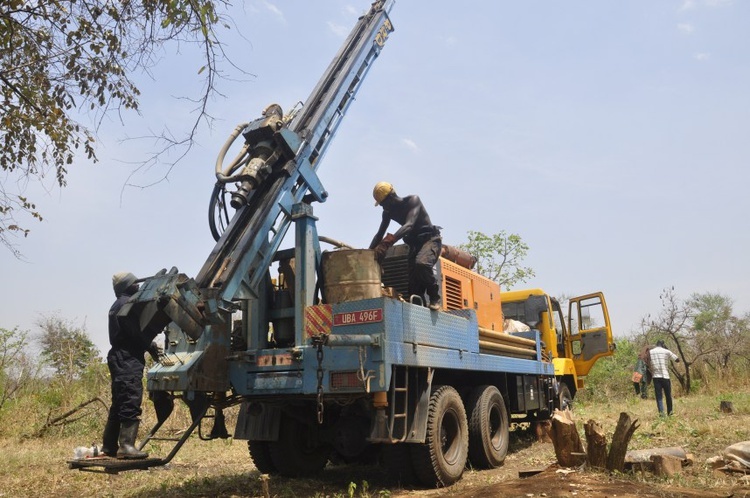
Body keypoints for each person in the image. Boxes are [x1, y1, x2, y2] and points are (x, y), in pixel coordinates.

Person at [101, 272, 163, 459]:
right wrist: (151, 344)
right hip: (127, 357)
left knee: (119, 401)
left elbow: (132, 333)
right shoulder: (127, 305)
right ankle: (127, 446)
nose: (138, 285)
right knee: (130, 398)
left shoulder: (117, 305)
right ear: (127, 286)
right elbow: (135, 334)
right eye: (134, 283)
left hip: (119, 356)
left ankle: (109, 446)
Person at [369, 182, 442, 310]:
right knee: (413, 287)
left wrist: (388, 242)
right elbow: (379, 234)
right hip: (415, 245)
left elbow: (409, 225)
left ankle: (435, 297)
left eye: (383, 204)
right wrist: (368, 253)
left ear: (391, 198)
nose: (383, 207)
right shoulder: (387, 212)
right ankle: (420, 312)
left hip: (430, 240)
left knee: (422, 264)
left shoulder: (413, 201)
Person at [649, 340, 680, 416]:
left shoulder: (651, 352)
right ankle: (670, 413)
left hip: (656, 377)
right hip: (665, 376)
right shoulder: (666, 351)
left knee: (659, 396)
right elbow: (677, 360)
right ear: (663, 345)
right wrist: (667, 349)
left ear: (656, 345)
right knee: (668, 396)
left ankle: (662, 414)